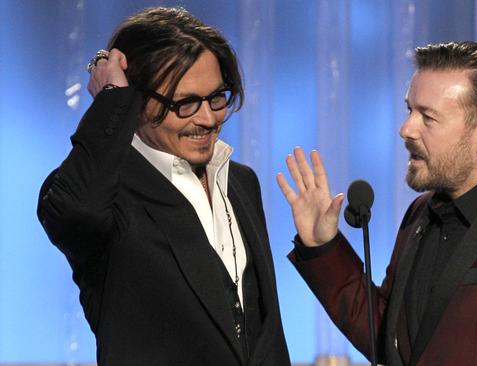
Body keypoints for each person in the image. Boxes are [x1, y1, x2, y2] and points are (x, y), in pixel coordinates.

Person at [277, 41, 477, 365]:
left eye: (428, 118)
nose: (406, 129)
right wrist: (322, 246)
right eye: (409, 109)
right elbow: (391, 340)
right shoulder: (421, 211)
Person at [37, 7, 289, 366]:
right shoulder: (107, 194)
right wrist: (111, 101)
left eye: (217, 97)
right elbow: (73, 212)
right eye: (185, 103)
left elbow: (261, 329)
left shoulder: (242, 182)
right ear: (137, 101)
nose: (208, 118)